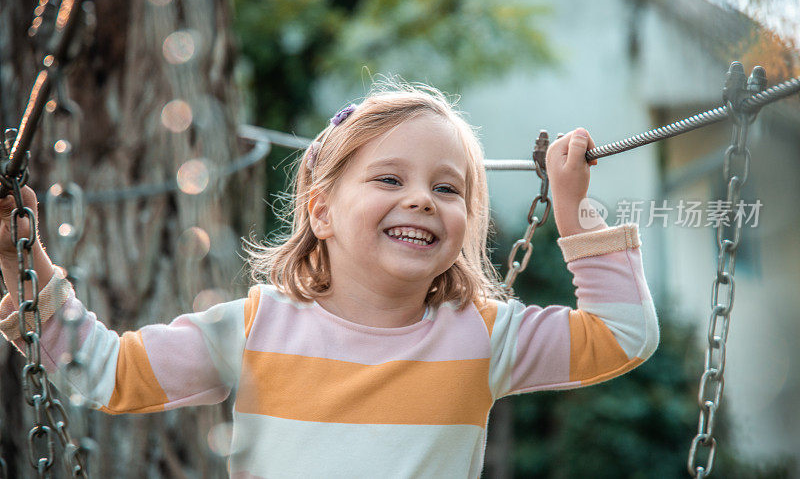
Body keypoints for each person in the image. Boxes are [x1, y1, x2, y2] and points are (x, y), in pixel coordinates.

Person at [0, 80, 659, 478]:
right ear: (321, 209)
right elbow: (110, 371)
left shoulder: (483, 336)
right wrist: (21, 260)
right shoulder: (256, 327)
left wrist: (574, 212)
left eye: (448, 187)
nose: (423, 199)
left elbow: (624, 334)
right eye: (390, 178)